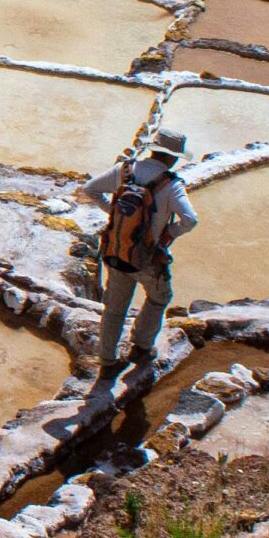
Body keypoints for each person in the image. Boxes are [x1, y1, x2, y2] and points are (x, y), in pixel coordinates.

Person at [81, 129, 198, 373]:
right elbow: (190, 219)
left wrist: (112, 211)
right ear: (172, 157)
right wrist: (169, 234)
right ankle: (142, 345)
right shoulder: (171, 184)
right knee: (158, 298)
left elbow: (90, 188)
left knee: (114, 308)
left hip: (117, 250)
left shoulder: (124, 170)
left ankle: (107, 360)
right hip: (148, 257)